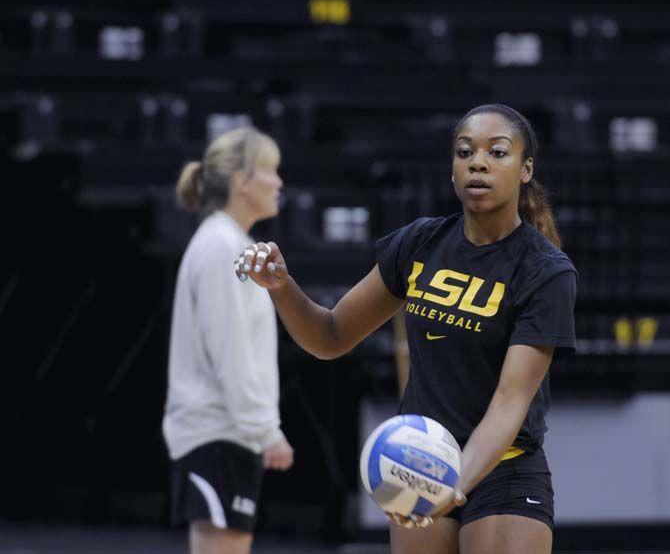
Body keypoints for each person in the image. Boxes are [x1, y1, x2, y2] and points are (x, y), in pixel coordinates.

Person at [235, 104, 577, 554]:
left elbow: (509, 405)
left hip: (504, 472)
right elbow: (331, 336)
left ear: (526, 169)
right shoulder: (420, 242)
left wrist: (450, 484)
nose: (478, 162)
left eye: (498, 152)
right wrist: (281, 286)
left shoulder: (544, 271)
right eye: (464, 151)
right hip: (420, 466)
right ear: (452, 170)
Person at [163, 126, 294, 554]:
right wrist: (265, 429)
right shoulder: (223, 247)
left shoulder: (233, 243)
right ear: (241, 180)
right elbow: (231, 352)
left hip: (225, 435)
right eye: (271, 171)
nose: (279, 182)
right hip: (217, 435)